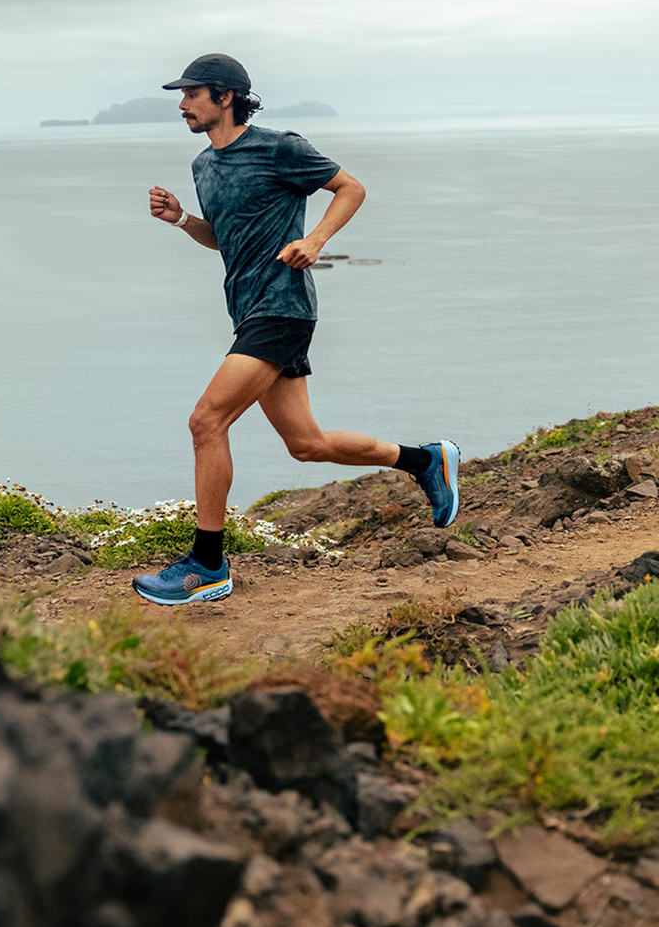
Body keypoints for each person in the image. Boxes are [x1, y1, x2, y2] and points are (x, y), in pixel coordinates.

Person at [133, 53, 459, 606]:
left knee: (206, 421)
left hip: (282, 307)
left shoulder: (280, 147)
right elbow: (224, 239)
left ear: (225, 96)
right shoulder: (203, 165)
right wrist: (183, 220)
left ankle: (207, 565)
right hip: (247, 310)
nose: (182, 104)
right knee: (307, 444)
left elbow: (350, 188)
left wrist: (315, 240)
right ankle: (425, 459)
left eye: (191, 94)